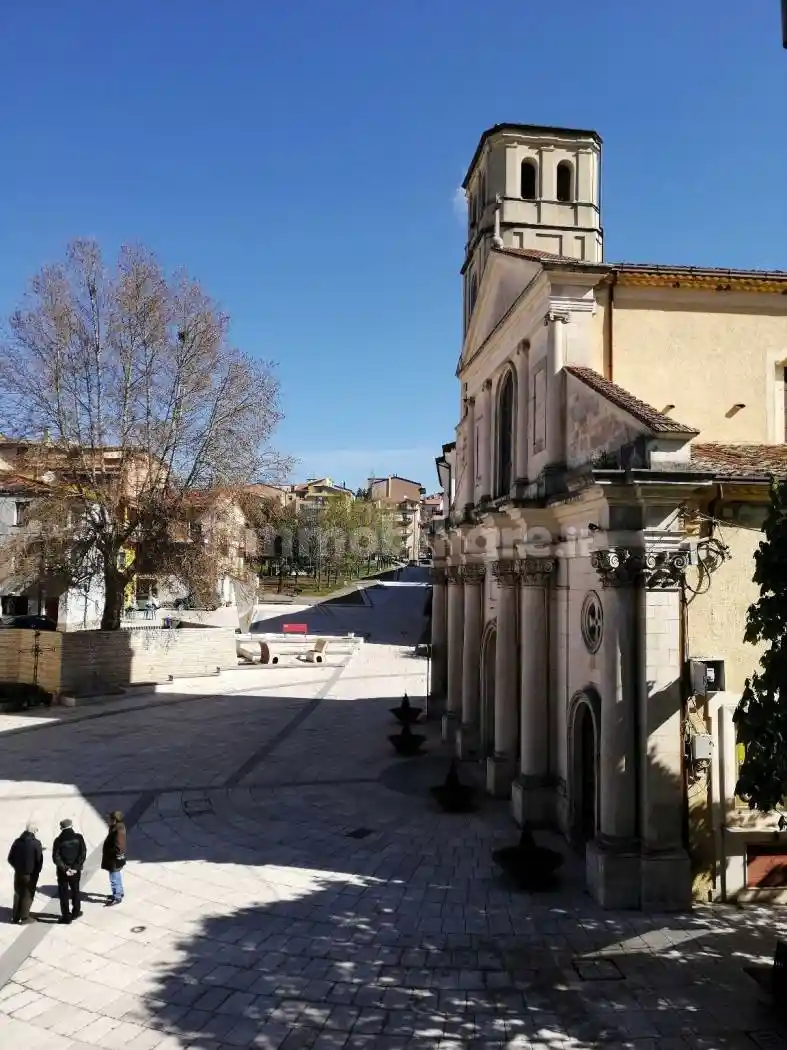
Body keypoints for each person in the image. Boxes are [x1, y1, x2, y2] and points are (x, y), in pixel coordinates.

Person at [52, 819, 86, 924]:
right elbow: (82, 854)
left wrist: (66, 869)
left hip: (63, 872)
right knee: (75, 891)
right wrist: (75, 868)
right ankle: (76, 912)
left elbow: (56, 857)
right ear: (72, 826)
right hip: (75, 871)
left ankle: (66, 917)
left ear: (61, 828)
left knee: (63, 894)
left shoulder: (58, 840)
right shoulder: (79, 838)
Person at [8, 823, 43, 924]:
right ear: (33, 831)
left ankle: (15, 916)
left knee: (18, 893)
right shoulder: (36, 843)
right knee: (27, 895)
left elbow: (10, 858)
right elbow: (39, 861)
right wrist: (36, 873)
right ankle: (24, 917)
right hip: (30, 874)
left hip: (18, 873)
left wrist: (17, 867)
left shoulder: (17, 841)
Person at [101, 811, 127, 905]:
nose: (108, 820)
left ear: (115, 820)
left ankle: (117, 897)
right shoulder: (116, 827)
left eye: (110, 819)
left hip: (114, 859)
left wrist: (117, 855)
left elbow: (119, 845)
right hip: (114, 858)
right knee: (117, 875)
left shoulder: (118, 830)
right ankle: (119, 892)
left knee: (114, 877)